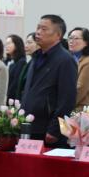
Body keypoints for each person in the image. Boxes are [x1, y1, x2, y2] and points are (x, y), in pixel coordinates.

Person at [21, 15, 77, 147]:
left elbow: (67, 99)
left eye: (44, 29)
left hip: (47, 130)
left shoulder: (65, 60)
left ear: (58, 35)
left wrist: (55, 129)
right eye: (38, 28)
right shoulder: (36, 57)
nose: (38, 32)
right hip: (29, 125)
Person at [67, 27, 89, 111]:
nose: (71, 41)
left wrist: (64, 105)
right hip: (68, 107)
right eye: (70, 38)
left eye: (76, 38)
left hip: (81, 111)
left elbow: (80, 89)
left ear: (86, 42)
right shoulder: (68, 59)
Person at [4, 34, 28, 103]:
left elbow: (15, 84)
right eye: (5, 44)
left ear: (17, 45)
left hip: (12, 100)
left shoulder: (21, 62)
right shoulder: (6, 61)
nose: (6, 46)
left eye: (9, 43)